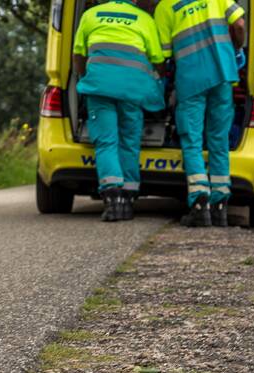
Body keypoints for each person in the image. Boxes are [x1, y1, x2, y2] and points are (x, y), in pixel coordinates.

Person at [154, 0, 246, 227]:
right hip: (223, 74)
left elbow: (164, 54)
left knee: (192, 140)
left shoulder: (165, 7)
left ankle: (199, 203)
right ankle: (220, 206)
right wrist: (236, 50)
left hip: (191, 79)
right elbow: (240, 24)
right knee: (219, 140)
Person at [73, 0, 166, 222]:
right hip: (132, 91)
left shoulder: (91, 15)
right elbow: (158, 60)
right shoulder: (144, 19)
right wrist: (156, 79)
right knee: (129, 141)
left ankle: (112, 198)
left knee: (106, 142)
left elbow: (78, 55)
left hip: (100, 88)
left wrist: (84, 77)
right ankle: (128, 198)